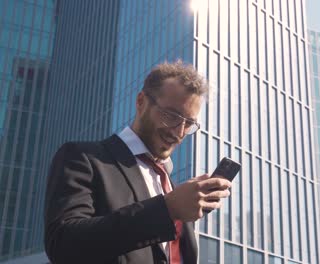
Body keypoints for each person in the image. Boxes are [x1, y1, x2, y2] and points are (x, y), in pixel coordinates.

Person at [44, 61, 232, 264]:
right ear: (141, 101)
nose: (178, 132)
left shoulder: (170, 186)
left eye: (189, 123)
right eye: (171, 116)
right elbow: (62, 244)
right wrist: (168, 209)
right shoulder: (84, 158)